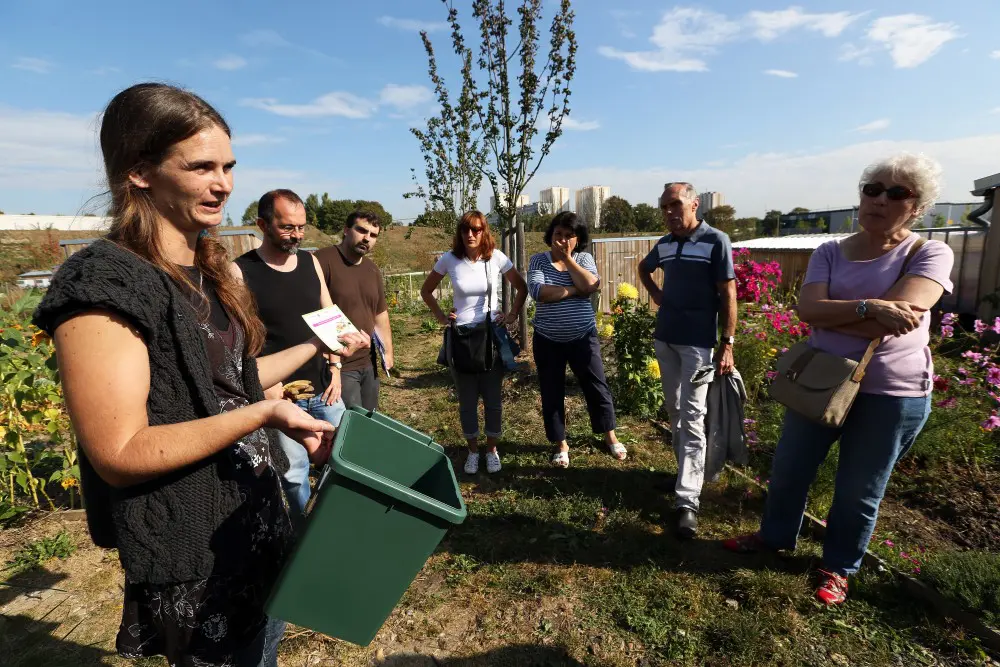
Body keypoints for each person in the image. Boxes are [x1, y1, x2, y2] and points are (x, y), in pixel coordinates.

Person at [32, 83, 368, 667]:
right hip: (196, 553)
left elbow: (229, 384)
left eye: (229, 166)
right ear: (139, 171)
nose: (225, 184)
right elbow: (119, 449)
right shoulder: (104, 285)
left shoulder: (210, 271)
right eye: (202, 167)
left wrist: (309, 356)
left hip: (256, 525)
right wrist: (263, 413)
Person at [724, 153, 954, 606]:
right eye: (872, 189)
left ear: (918, 206)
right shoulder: (830, 251)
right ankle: (774, 538)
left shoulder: (929, 252)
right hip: (823, 383)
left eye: (897, 192)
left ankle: (838, 567)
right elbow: (808, 310)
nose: (880, 199)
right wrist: (870, 308)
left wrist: (842, 316)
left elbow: (899, 321)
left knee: (859, 488)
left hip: (891, 393)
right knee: (789, 470)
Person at [233, 189, 345, 517]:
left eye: (301, 227)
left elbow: (329, 314)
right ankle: (300, 543)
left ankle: (337, 527)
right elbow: (242, 341)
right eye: (287, 227)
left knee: (342, 460)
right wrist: (268, 392)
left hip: (325, 387)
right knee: (295, 475)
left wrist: (336, 365)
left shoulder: (310, 262)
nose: (296, 235)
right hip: (282, 397)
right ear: (262, 225)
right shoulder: (240, 272)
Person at [638, 182, 737, 540]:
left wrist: (727, 343)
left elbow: (728, 293)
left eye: (675, 205)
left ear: (695, 204)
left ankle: (688, 501)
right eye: (664, 207)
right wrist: (657, 296)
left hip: (698, 346)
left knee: (694, 417)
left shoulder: (716, 241)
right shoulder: (664, 244)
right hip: (666, 339)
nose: (669, 213)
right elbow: (643, 268)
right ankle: (685, 474)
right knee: (676, 410)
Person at [420, 211, 527, 475]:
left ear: (484, 232)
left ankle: (491, 450)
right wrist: (442, 317)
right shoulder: (450, 259)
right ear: (460, 232)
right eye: (466, 229)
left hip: (490, 337)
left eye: (476, 230)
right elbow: (426, 290)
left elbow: (521, 287)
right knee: (467, 400)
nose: (471, 234)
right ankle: (472, 451)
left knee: (492, 399)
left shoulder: (495, 259)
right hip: (461, 338)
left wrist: (511, 314)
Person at [527, 211, 624, 468]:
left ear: (577, 239)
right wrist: (576, 290)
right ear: (550, 236)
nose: (562, 239)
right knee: (551, 390)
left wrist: (569, 260)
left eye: (569, 236)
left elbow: (592, 282)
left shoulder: (583, 258)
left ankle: (610, 436)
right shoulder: (538, 260)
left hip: (583, 336)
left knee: (596, 385)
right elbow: (539, 292)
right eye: (558, 234)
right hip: (547, 338)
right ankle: (561, 444)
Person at [314, 210, 392, 411]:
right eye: (362, 230)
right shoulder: (322, 260)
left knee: (369, 422)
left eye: (373, 235)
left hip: (367, 362)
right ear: (346, 230)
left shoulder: (372, 269)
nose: (367, 238)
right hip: (338, 365)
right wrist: (333, 363)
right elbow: (312, 311)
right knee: (348, 425)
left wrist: (389, 352)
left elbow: (380, 314)